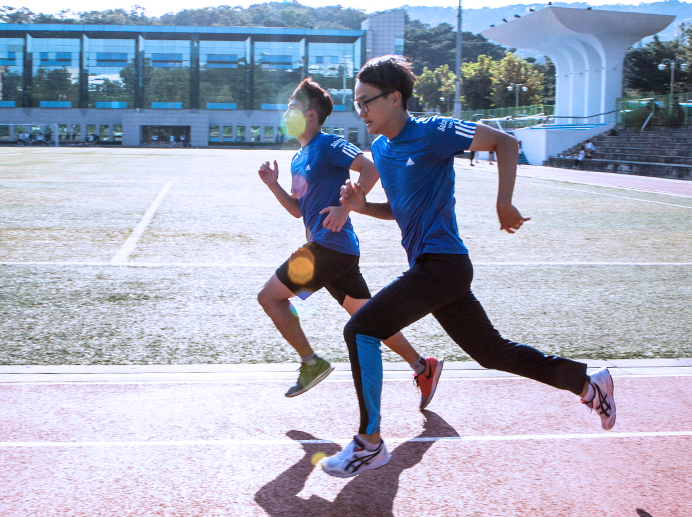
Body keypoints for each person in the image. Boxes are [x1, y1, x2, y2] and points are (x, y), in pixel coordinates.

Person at [319, 55, 615, 478]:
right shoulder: (381, 149)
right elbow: (400, 211)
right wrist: (361, 207)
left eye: (366, 101)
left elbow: (506, 142)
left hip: (443, 265)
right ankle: (588, 382)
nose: (360, 110)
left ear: (395, 98)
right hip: (435, 268)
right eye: (357, 102)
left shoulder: (433, 131)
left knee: (361, 328)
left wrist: (503, 202)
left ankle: (369, 442)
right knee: (490, 352)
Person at [258, 77, 443, 402]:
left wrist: (345, 209)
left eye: (292, 108)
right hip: (332, 252)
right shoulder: (298, 158)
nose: (286, 114)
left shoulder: (328, 145)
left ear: (311, 115)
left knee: (271, 298)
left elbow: (370, 169)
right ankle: (422, 366)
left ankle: (310, 362)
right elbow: (298, 210)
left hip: (330, 248)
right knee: (367, 317)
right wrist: (272, 184)